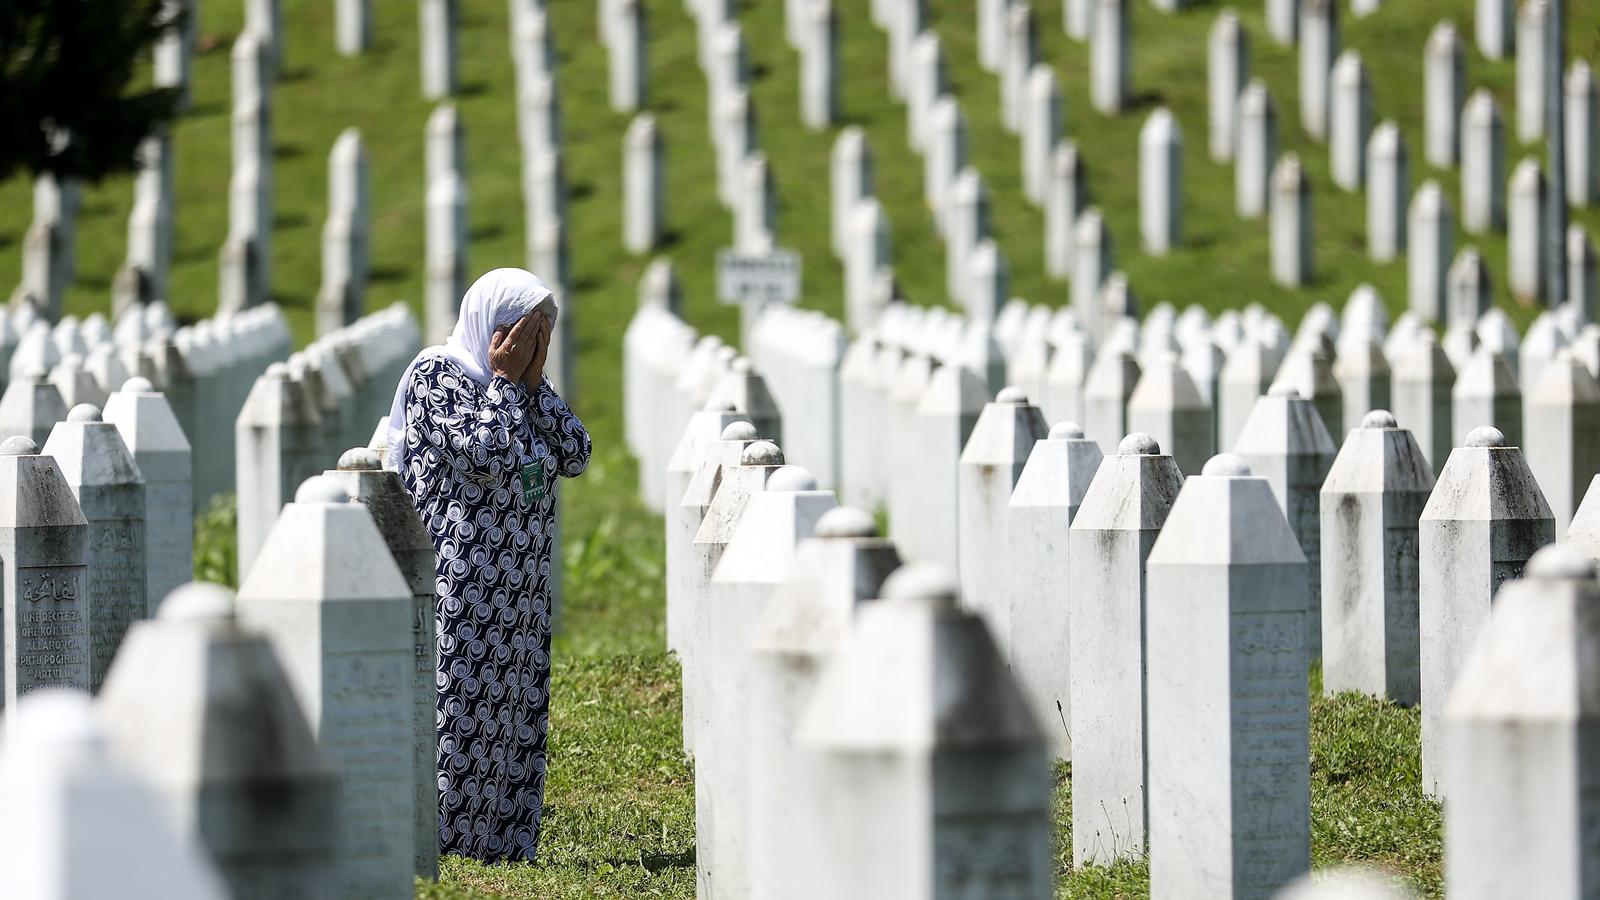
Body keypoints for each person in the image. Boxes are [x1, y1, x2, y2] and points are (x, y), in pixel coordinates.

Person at [386, 268, 591, 862]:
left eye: (541, 335)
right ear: (489, 325)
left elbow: (574, 452)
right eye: (524, 331)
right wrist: (505, 383)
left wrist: (531, 385)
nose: (532, 345)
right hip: (463, 583)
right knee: (460, 714)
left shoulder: (520, 390)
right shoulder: (436, 376)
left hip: (521, 589)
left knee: (514, 715)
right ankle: (449, 842)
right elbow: (490, 451)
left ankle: (506, 840)